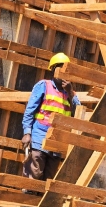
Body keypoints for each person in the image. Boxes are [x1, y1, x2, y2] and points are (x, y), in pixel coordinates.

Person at [22, 52, 80, 181]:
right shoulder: (44, 86)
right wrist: (27, 133)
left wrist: (70, 92)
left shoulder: (70, 93)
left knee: (49, 179)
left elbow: (80, 113)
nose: (63, 72)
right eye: (60, 68)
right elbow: (29, 111)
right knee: (34, 174)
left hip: (57, 142)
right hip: (39, 139)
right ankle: (28, 197)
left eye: (66, 69)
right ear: (54, 70)